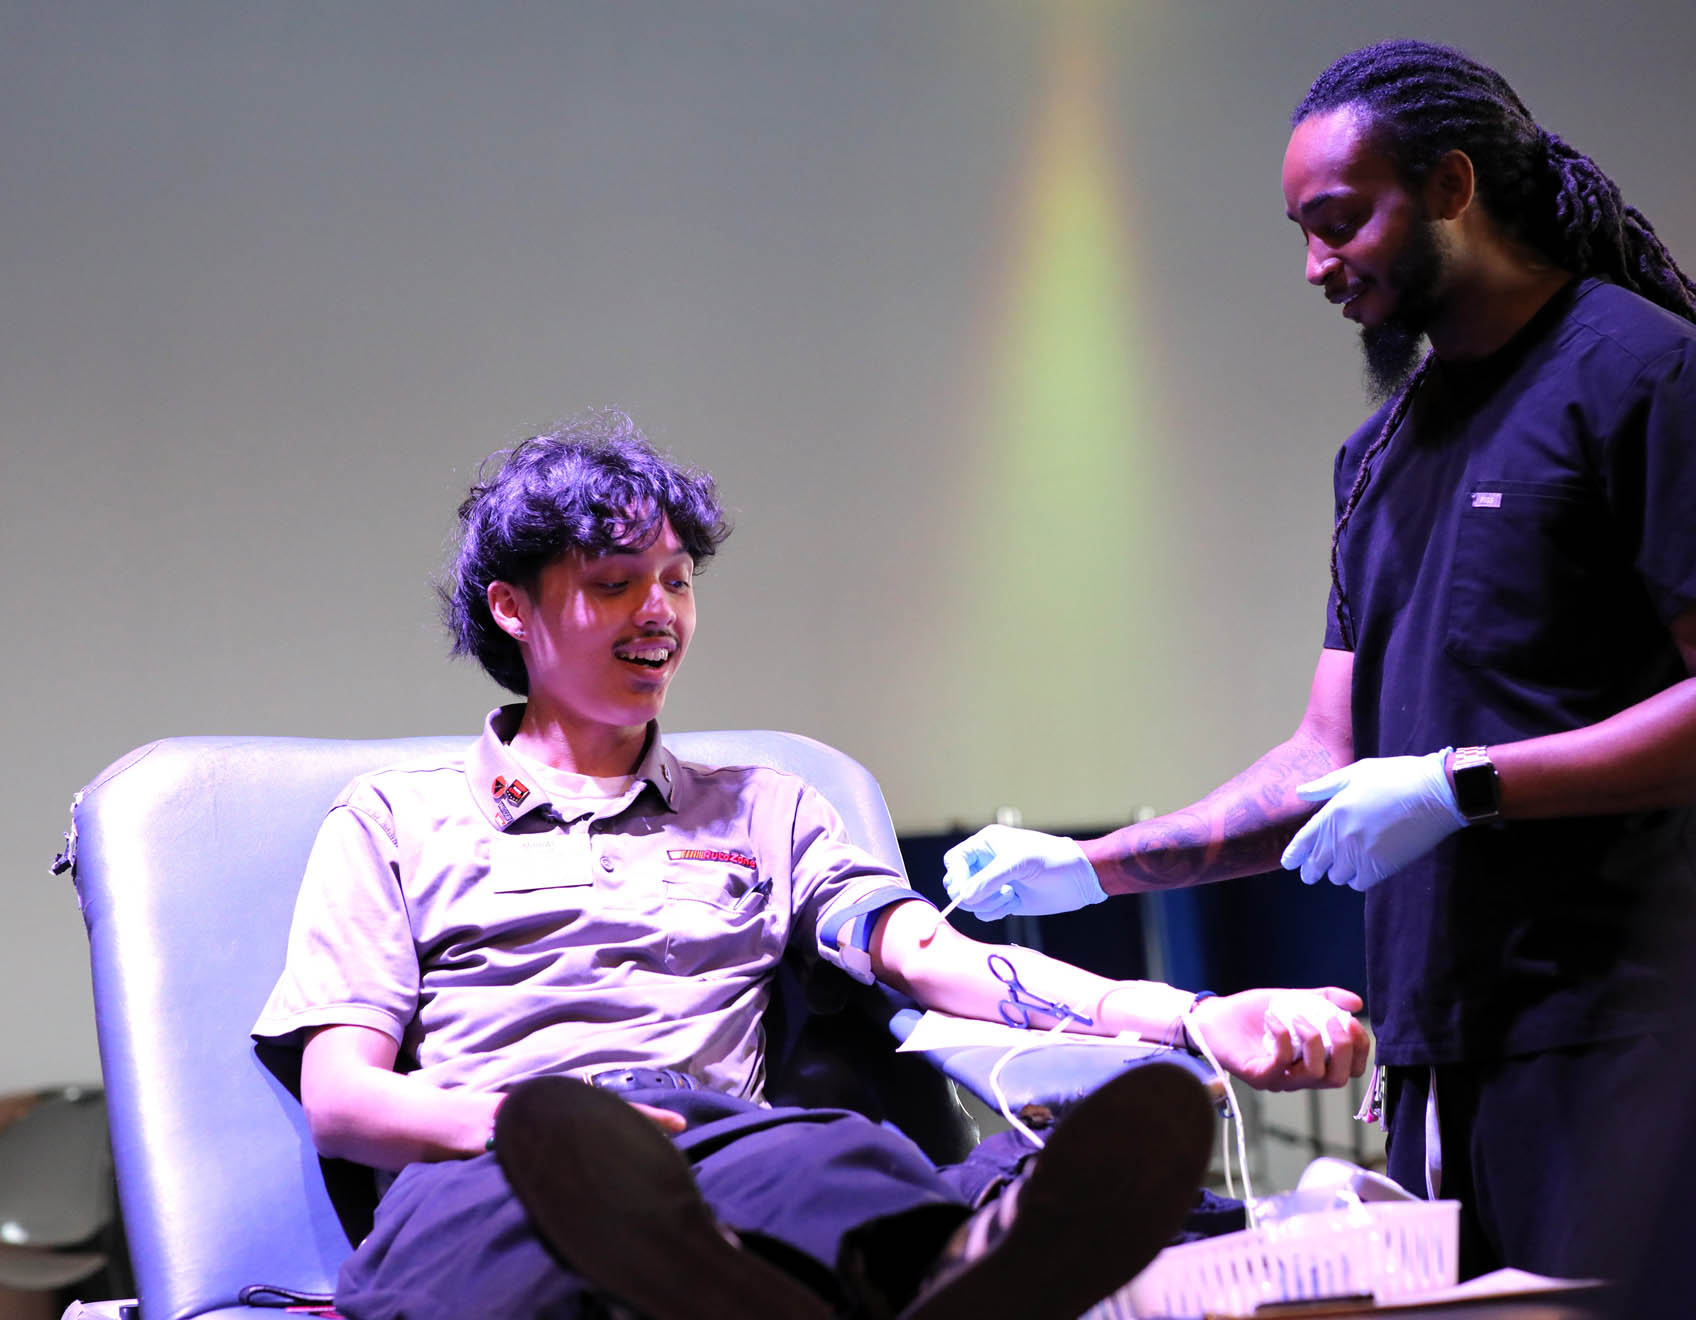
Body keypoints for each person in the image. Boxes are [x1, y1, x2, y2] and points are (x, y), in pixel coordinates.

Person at [942, 40, 1696, 1280]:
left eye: (1341, 222)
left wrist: (1463, 785)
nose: (1316, 265)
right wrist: (1091, 869)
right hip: (1439, 1055)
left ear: (1452, 186)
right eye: (1303, 231)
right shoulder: (1380, 456)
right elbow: (1326, 756)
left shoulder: (1648, 376)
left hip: (1632, 1036)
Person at [251, 409, 1372, 1320]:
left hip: (717, 1146)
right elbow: (343, 1101)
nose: (659, 613)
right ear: (512, 608)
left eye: (677, 579)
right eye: (614, 584)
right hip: (498, 1159)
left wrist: (1196, 1019)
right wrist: (524, 1126)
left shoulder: (766, 810)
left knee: (842, 1172)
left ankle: (929, 1262)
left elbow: (933, 959)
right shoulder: (394, 820)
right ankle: (798, 1285)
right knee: (519, 1269)